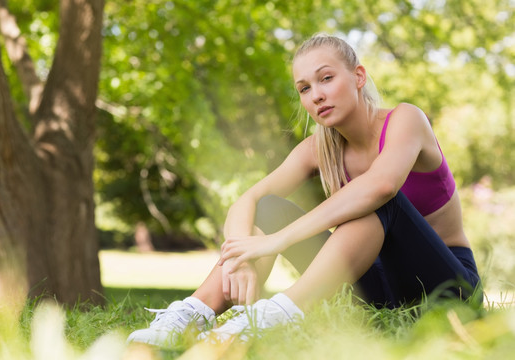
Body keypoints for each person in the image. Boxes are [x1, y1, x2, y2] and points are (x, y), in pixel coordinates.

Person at [127, 33, 481, 346]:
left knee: (375, 201)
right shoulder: (318, 149)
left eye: (326, 78)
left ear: (359, 77)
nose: (317, 96)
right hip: (375, 289)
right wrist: (242, 259)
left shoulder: (405, 119)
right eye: (305, 88)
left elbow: (381, 186)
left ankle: (279, 314)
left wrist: (278, 241)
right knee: (269, 206)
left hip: (445, 286)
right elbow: (249, 200)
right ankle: (194, 313)